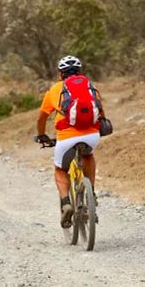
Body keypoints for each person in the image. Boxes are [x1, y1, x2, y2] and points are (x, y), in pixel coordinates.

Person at [36, 55, 104, 228]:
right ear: (80, 72)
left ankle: (66, 202)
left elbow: (41, 117)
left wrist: (42, 135)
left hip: (66, 138)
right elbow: (102, 113)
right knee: (88, 156)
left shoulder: (55, 90)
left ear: (60, 74)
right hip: (91, 135)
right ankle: (91, 194)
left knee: (60, 169)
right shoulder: (91, 87)